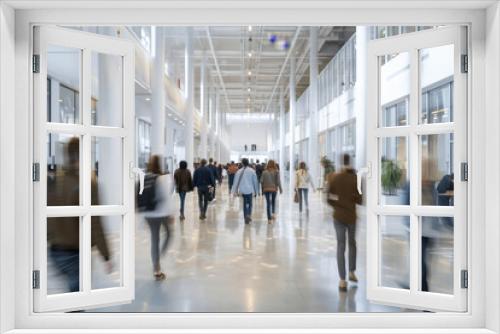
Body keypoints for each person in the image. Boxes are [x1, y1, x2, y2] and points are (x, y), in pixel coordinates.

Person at [47, 137, 112, 292]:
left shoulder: (56, 179)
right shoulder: (88, 183)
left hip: (55, 251)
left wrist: (50, 237)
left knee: (72, 293)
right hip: (76, 252)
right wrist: (106, 255)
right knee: (76, 299)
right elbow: (95, 222)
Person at [326, 154, 362, 292]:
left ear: (341, 162)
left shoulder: (335, 177)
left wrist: (337, 204)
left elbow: (328, 197)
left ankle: (342, 280)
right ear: (350, 162)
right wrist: (351, 199)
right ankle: (352, 271)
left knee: (341, 246)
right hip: (351, 216)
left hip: (338, 216)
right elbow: (360, 200)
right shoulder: (355, 178)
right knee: (352, 243)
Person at [142, 155, 175, 281]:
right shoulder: (162, 179)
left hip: (148, 214)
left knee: (154, 239)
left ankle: (156, 268)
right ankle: (160, 255)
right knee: (169, 234)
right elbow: (166, 197)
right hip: (161, 213)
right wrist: (171, 213)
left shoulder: (145, 178)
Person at [231, 158, 259, 224]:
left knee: (244, 204)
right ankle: (248, 215)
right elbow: (255, 182)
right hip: (250, 190)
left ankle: (246, 216)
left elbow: (235, 181)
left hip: (242, 190)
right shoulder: (252, 171)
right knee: (250, 204)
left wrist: (234, 191)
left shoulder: (239, 171)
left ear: (242, 163)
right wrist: (256, 191)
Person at [260, 159, 282, 224]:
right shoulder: (276, 171)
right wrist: (280, 189)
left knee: (268, 203)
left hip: (266, 189)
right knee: (273, 201)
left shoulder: (264, 172)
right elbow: (278, 181)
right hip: (274, 189)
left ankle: (269, 219)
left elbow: (261, 181)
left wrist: (263, 187)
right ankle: (273, 214)